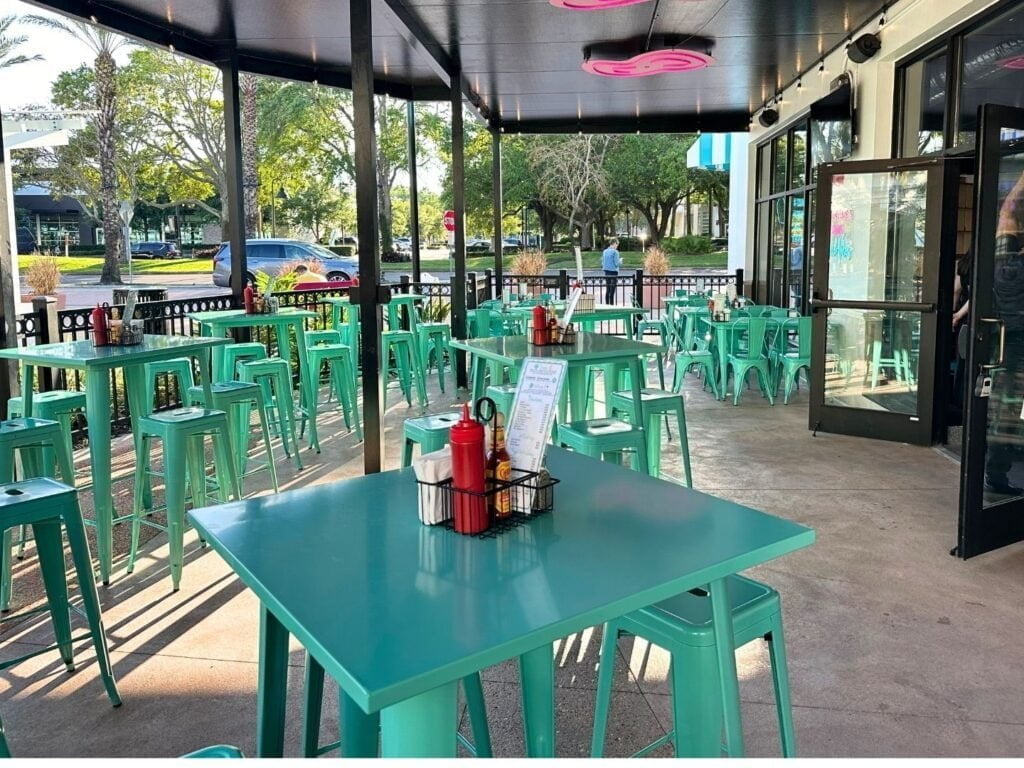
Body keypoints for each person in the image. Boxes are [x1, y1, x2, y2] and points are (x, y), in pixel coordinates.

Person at [601, 237, 621, 305]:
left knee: (608, 289)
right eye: (617, 244)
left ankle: (607, 305)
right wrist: (620, 261)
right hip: (614, 272)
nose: (617, 246)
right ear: (614, 243)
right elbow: (616, 264)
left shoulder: (605, 251)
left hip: (606, 271)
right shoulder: (615, 252)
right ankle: (612, 305)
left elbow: (603, 262)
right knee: (612, 291)